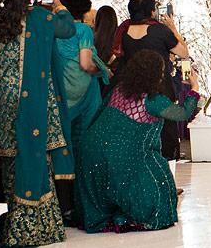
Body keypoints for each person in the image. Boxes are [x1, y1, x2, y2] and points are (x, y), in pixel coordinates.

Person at [0, 0, 75, 248]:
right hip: (31, 99)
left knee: (11, 160)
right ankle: (33, 229)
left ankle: (13, 224)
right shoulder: (40, 18)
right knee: (36, 159)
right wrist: (57, 3)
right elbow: (67, 29)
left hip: (1, 100)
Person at [76, 51, 198, 234]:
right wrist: (194, 89)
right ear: (157, 74)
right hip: (116, 157)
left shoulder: (118, 90)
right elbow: (182, 113)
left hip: (88, 153)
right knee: (159, 180)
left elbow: (99, 116)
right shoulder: (152, 100)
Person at [112, 0, 189, 161]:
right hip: (159, 87)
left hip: (133, 89)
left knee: (139, 131)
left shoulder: (124, 31)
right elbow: (184, 52)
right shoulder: (160, 30)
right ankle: (167, 174)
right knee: (166, 130)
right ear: (152, 10)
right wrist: (173, 28)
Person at [55, 0, 109, 171]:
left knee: (63, 136)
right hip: (83, 88)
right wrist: (101, 71)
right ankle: (83, 179)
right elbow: (85, 64)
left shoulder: (55, 29)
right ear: (85, 9)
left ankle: (63, 175)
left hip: (62, 87)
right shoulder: (84, 30)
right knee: (86, 135)